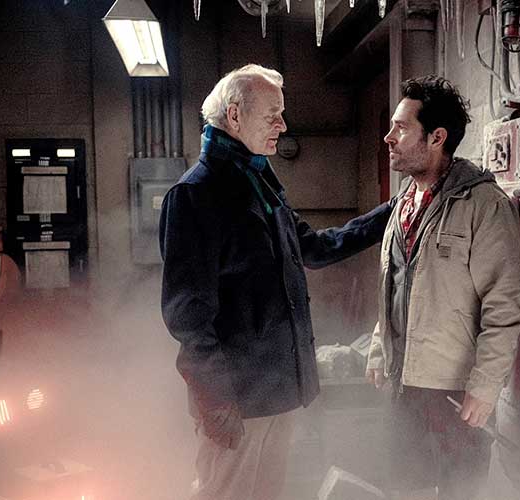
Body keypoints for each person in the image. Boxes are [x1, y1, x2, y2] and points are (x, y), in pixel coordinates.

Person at [159, 64, 394, 500]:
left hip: (276, 394)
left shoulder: (260, 182)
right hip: (237, 402)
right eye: (272, 115)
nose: (283, 126)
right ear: (234, 116)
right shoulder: (196, 195)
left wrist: (391, 213)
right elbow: (188, 319)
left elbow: (314, 248)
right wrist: (216, 402)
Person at [365, 76, 520, 500]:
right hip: (404, 384)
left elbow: (505, 308)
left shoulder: (485, 205)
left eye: (401, 127)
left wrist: (485, 387)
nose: (389, 137)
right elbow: (395, 283)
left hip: (455, 393)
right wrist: (380, 347)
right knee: (405, 491)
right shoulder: (405, 202)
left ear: (436, 138)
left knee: (459, 492)